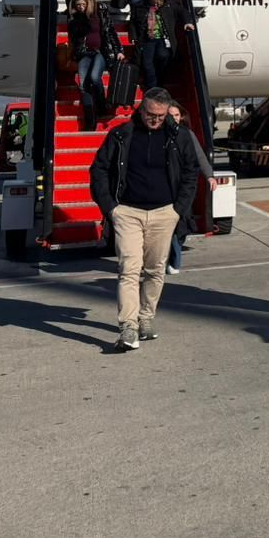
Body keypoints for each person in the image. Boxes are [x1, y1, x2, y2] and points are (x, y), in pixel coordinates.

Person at [88, 87, 204, 351]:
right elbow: (99, 169)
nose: (156, 120)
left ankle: (146, 317)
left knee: (155, 269)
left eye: (161, 116)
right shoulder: (121, 134)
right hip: (128, 212)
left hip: (165, 213)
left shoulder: (179, 136)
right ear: (141, 109)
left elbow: (191, 171)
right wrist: (111, 208)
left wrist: (178, 209)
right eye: (151, 114)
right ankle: (128, 327)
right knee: (129, 269)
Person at [165, 103, 216, 274]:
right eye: (170, 115)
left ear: (181, 116)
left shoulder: (187, 135)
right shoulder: (159, 135)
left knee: (181, 224)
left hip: (183, 187)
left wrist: (209, 176)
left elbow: (200, 156)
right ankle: (173, 262)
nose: (174, 119)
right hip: (166, 187)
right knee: (171, 226)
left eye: (177, 115)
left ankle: (173, 259)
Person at [67, 0, 121, 130]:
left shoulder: (100, 12)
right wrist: (78, 21)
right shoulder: (75, 19)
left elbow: (110, 31)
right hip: (84, 53)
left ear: (89, 3)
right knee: (83, 85)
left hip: (100, 51)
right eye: (78, 5)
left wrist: (119, 50)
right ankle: (90, 121)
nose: (81, 7)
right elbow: (73, 38)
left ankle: (102, 105)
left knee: (94, 77)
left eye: (83, 4)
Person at [130, 0, 192, 89]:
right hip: (147, 39)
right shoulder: (140, 6)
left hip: (162, 38)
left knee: (163, 56)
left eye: (158, 4)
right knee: (147, 63)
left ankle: (159, 80)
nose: (155, 6)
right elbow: (133, 22)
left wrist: (187, 22)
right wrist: (133, 36)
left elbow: (183, 12)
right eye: (153, 3)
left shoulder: (169, 5)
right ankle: (152, 87)